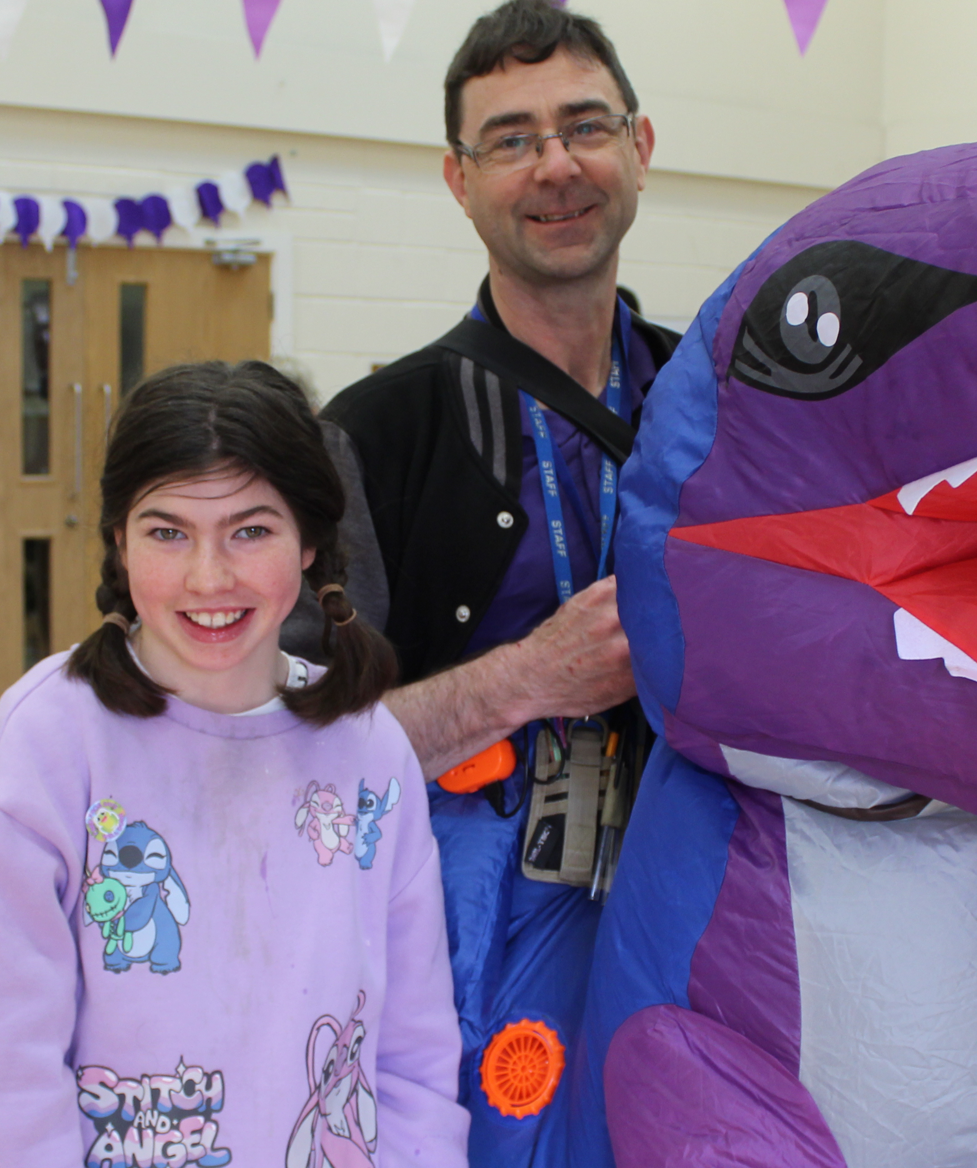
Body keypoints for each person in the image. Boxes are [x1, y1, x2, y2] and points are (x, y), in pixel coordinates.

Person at [0, 361, 466, 1166]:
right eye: (167, 532)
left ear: (310, 544)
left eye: (251, 531)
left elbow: (414, 1055)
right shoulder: (47, 741)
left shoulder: (370, 749)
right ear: (119, 541)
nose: (209, 577)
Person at [308, 2, 673, 1159]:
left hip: (691, 919)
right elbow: (295, 755)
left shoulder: (722, 408)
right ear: (458, 180)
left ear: (641, 148)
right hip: (460, 966)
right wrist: (523, 679)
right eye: (511, 140)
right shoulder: (371, 438)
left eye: (585, 126)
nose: (556, 165)